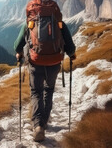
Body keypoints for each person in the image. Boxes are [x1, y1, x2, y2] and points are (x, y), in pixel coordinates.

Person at [13, 12, 76, 142]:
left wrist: (19, 53)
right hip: (54, 63)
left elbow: (17, 45)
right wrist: (72, 55)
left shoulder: (30, 23)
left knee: (36, 92)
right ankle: (45, 121)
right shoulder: (59, 23)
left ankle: (38, 126)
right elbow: (70, 46)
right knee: (49, 90)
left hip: (35, 63)